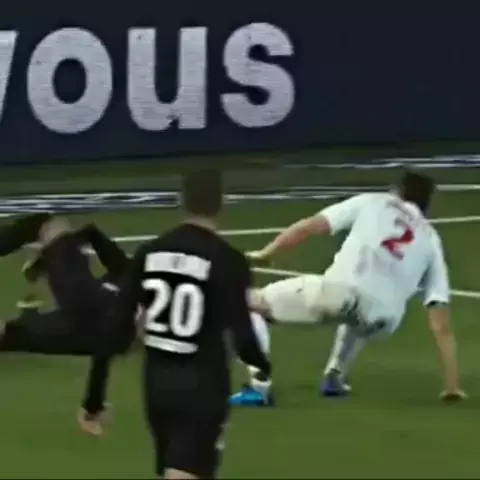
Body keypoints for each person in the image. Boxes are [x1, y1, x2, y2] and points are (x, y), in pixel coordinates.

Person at [232, 170, 465, 403]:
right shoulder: (431, 239)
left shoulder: (373, 201)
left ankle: (259, 387)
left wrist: (266, 253)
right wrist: (451, 386)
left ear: (397, 191)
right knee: (360, 312)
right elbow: (440, 324)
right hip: (384, 319)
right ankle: (335, 375)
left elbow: (310, 227)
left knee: (245, 303)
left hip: (338, 294)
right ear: (427, 205)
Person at [109, 168, 271, 479]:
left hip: (156, 388)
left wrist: (95, 397)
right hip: (203, 387)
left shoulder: (148, 252)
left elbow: (117, 327)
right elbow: (242, 337)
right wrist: (262, 364)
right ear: (222, 202)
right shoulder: (228, 259)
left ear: (180, 200)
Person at [0, 215, 132, 436]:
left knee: (48, 226)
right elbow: (96, 237)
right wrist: (91, 408)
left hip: (84, 310)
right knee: (11, 336)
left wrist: (92, 406)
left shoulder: (130, 299)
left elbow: (105, 349)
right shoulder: (132, 291)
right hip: (86, 318)